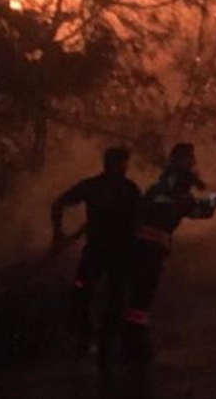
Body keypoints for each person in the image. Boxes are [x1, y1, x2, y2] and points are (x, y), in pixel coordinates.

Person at [121, 142, 216, 367]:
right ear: (180, 159)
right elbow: (186, 205)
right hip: (148, 249)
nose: (193, 163)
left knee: (138, 296)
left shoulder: (164, 186)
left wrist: (210, 203)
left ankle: (130, 341)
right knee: (141, 297)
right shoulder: (171, 187)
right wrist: (210, 201)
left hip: (142, 248)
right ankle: (133, 345)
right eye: (190, 158)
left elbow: (193, 208)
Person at [51, 146, 141, 366]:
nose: (121, 167)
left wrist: (58, 234)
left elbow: (140, 222)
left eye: (122, 163)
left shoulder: (123, 189)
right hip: (102, 252)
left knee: (109, 295)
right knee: (84, 291)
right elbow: (58, 204)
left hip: (113, 253)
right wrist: (58, 234)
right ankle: (93, 337)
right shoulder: (113, 188)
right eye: (119, 163)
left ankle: (103, 339)